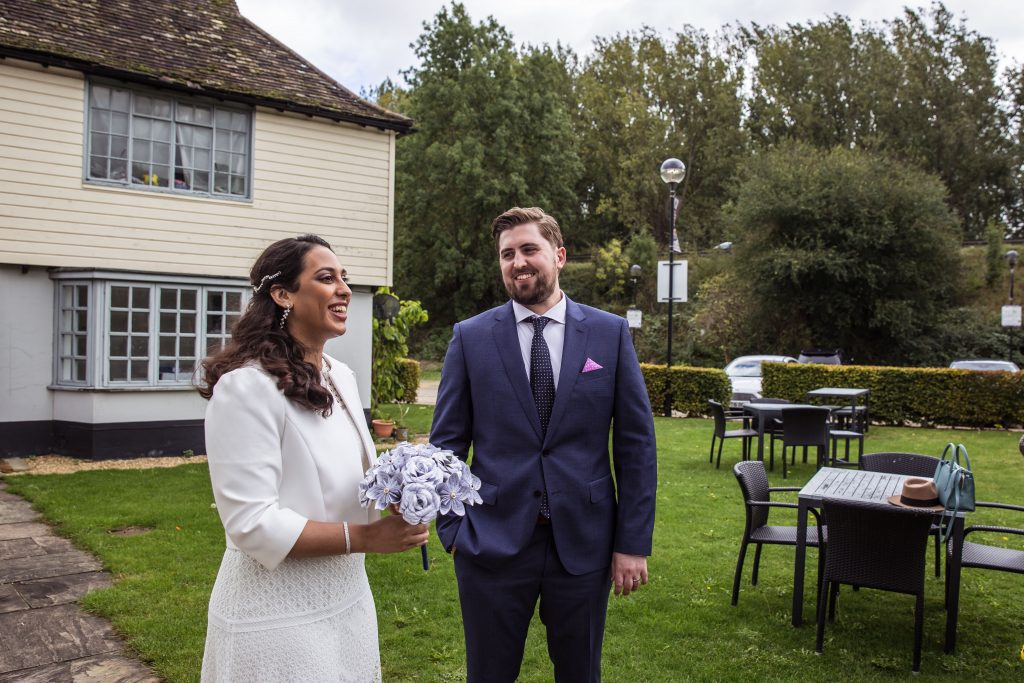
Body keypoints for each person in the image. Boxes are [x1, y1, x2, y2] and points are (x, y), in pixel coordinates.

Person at [431, 207, 658, 682]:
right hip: (491, 543)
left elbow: (636, 446)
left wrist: (631, 544)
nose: (518, 262)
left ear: (559, 255)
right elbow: (447, 445)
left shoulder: (608, 333)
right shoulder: (470, 338)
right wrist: (454, 530)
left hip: (584, 545)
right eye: (507, 254)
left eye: (529, 249)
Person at [197, 234, 428, 682]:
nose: (343, 289)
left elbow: (343, 474)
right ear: (282, 294)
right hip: (276, 611)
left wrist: (401, 491)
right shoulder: (245, 387)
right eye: (326, 278)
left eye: (345, 278)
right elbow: (250, 522)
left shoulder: (340, 375)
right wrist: (367, 537)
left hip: (347, 599)